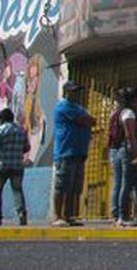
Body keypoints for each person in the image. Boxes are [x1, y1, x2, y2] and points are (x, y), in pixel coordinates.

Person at [51, 81, 95, 227]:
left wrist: (88, 121)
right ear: (66, 92)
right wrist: (87, 121)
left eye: (77, 91)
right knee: (61, 185)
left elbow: (92, 121)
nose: (76, 94)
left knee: (74, 187)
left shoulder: (79, 108)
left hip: (79, 152)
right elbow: (84, 120)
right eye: (73, 91)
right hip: (65, 151)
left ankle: (68, 216)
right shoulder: (62, 106)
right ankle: (57, 216)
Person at [108, 87, 137, 226]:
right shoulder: (129, 114)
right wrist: (136, 154)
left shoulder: (120, 113)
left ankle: (121, 214)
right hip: (128, 151)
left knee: (125, 183)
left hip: (122, 150)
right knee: (127, 184)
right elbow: (130, 136)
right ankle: (122, 215)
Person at [0, 107, 30, 226]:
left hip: (2, 166)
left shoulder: (0, 130)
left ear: (2, 119)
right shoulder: (21, 130)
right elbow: (27, 147)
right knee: (17, 190)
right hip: (17, 166)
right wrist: (17, 152)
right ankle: (21, 214)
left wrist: (2, 157)